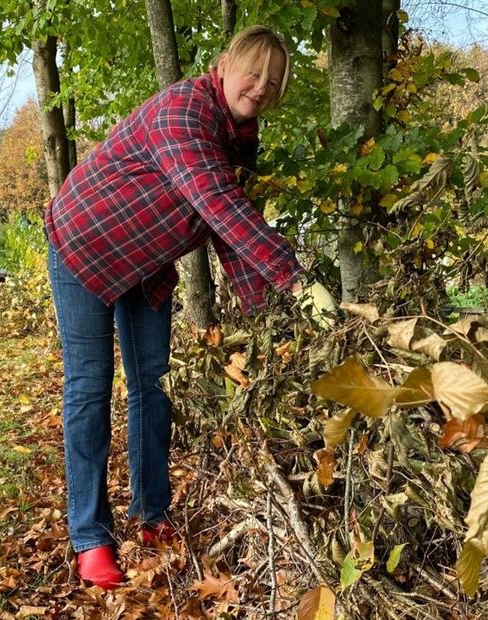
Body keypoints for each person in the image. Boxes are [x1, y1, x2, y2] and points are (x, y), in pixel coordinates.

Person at [43, 25, 304, 590]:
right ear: (224, 64)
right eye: (252, 72)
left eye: (273, 82)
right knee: (89, 387)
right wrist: (294, 278)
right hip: (84, 243)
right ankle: (90, 536)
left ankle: (151, 514)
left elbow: (229, 237)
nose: (260, 88)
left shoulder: (243, 138)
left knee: (153, 385)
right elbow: (219, 204)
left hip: (146, 263)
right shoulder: (184, 112)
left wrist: (265, 321)